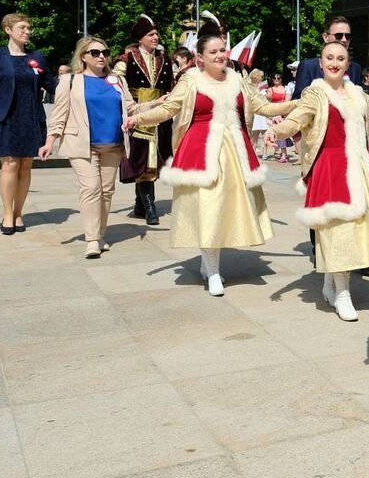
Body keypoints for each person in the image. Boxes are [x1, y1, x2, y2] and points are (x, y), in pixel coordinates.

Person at [124, 35, 294, 296]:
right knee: (208, 208)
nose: (220, 55)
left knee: (227, 209)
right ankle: (213, 270)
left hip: (235, 152)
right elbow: (169, 108)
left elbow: (262, 106)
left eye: (222, 50)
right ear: (200, 58)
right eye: (213, 51)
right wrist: (139, 118)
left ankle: (208, 263)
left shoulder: (238, 79)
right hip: (200, 152)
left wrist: (298, 104)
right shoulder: (191, 79)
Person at [266, 41, 369, 321]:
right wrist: (277, 132)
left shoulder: (357, 92)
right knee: (338, 232)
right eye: (329, 58)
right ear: (321, 63)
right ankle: (343, 294)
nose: (334, 62)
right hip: (331, 167)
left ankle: (330, 285)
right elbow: (296, 120)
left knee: (354, 230)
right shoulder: (315, 93)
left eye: (340, 58)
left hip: (359, 167)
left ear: (348, 64)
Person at [39, 37, 139, 258]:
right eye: (95, 52)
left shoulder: (117, 80)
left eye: (104, 51)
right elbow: (59, 115)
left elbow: (132, 108)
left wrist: (161, 103)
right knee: (91, 189)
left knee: (106, 192)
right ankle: (92, 239)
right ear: (83, 56)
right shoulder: (70, 81)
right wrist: (49, 141)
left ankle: (100, 234)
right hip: (82, 145)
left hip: (112, 145)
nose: (101, 56)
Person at [0, 14, 54, 234]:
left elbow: (51, 84)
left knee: (26, 166)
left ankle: (19, 212)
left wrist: (77, 78)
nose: (27, 31)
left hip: (31, 117)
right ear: (8, 30)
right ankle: (7, 214)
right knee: (10, 164)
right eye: (22, 27)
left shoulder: (38, 57)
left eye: (29, 28)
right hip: (5, 118)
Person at [112, 15, 174, 226]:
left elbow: (171, 84)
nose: (156, 37)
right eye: (151, 34)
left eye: (156, 33)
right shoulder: (127, 59)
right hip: (138, 111)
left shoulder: (165, 58)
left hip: (161, 114)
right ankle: (149, 207)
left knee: (155, 159)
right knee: (142, 158)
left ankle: (140, 203)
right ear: (140, 38)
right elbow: (116, 81)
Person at [292, 16, 364, 98]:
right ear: (326, 37)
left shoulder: (355, 68)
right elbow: (297, 102)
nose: (344, 40)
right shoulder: (308, 67)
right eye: (339, 35)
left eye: (347, 36)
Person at [267, 76, 292, 163]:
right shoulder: (270, 89)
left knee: (282, 134)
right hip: (274, 114)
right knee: (276, 135)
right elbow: (268, 103)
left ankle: (283, 154)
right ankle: (279, 153)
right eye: (274, 78)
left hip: (283, 113)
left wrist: (284, 113)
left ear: (281, 79)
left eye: (278, 78)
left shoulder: (286, 88)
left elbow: (287, 101)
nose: (276, 80)